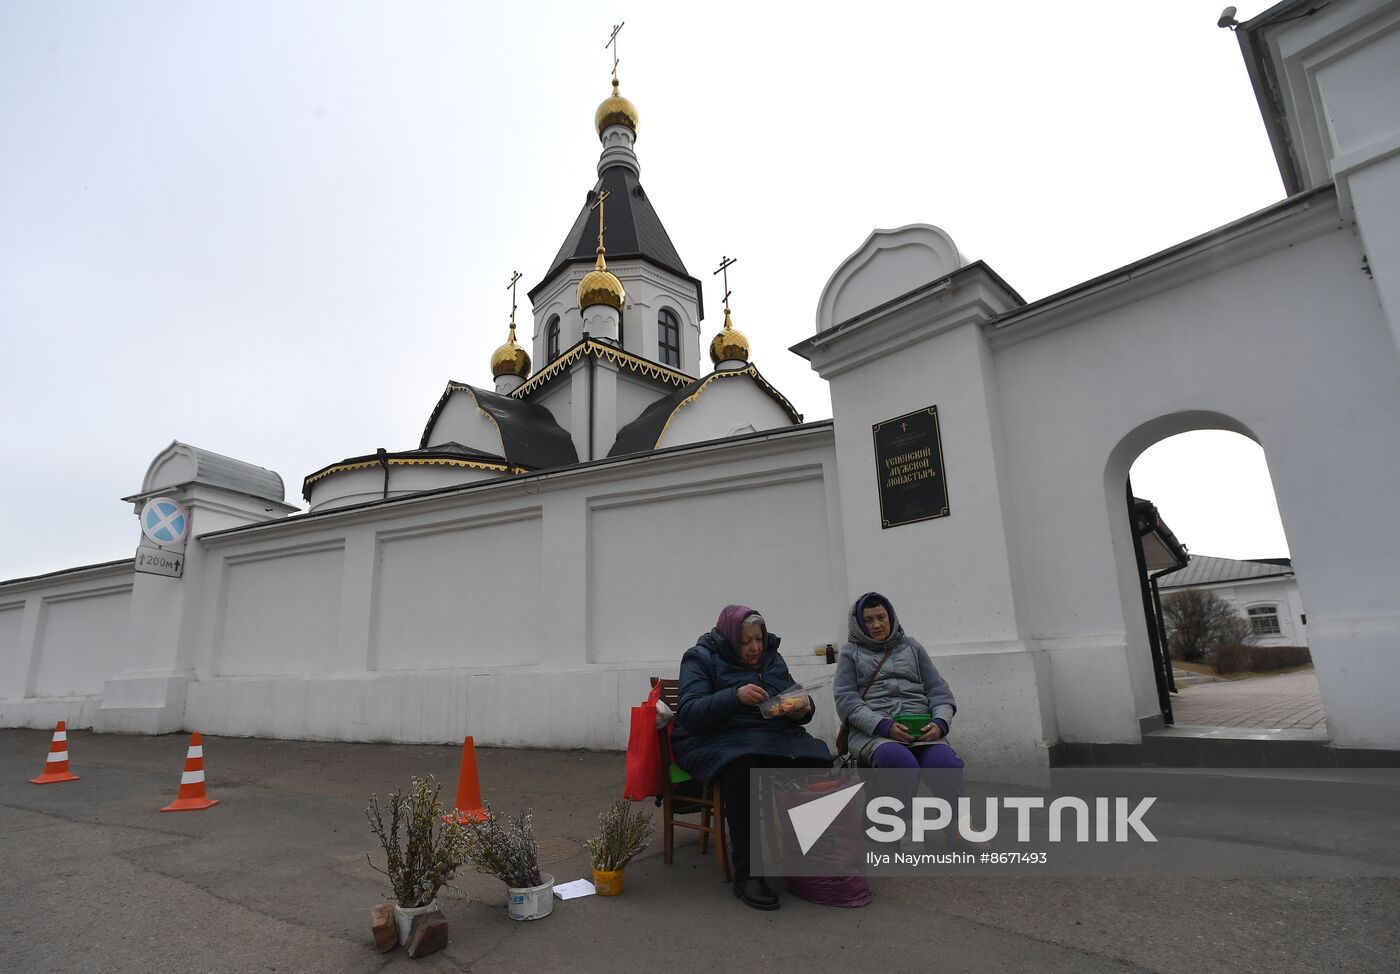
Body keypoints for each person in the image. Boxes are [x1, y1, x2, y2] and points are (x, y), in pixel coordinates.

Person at [671, 604, 832, 910]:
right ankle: (748, 876)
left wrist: (804, 707)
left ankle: (809, 859)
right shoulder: (700, 657)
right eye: (746, 642)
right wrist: (735, 696)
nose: (755, 647)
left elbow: (793, 694)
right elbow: (690, 714)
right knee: (743, 768)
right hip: (714, 739)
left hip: (768, 735)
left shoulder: (772, 657)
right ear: (731, 639)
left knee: (817, 758)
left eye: (758, 638)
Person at [833, 591, 975, 844]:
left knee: (945, 764)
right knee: (899, 761)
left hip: (922, 729)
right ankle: (904, 824)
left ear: (891, 618)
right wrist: (884, 726)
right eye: (868, 620)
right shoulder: (849, 654)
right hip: (874, 733)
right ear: (858, 623)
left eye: (881, 617)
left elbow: (939, 691)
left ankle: (957, 827)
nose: (876, 624)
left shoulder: (912, 647)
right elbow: (847, 702)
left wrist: (940, 723)